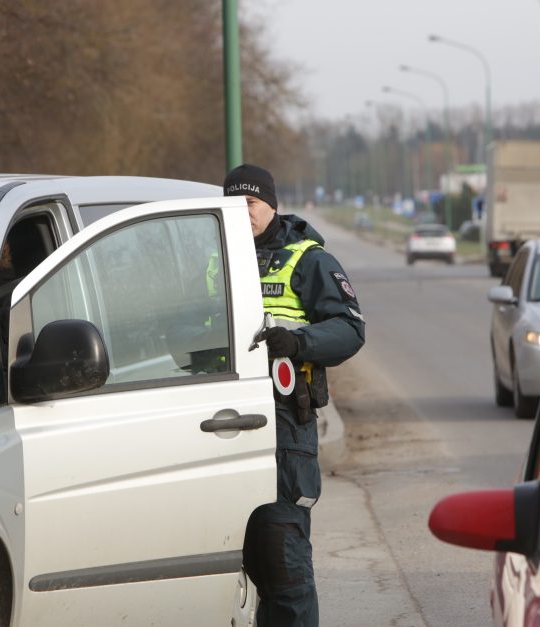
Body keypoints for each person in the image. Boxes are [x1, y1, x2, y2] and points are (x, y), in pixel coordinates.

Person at [225, 163, 365, 626]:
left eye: (252, 203)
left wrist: (298, 342)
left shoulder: (308, 259)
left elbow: (349, 329)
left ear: (272, 205)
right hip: (217, 422)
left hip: (283, 426)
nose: (243, 212)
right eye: (235, 203)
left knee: (284, 566)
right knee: (231, 567)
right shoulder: (215, 256)